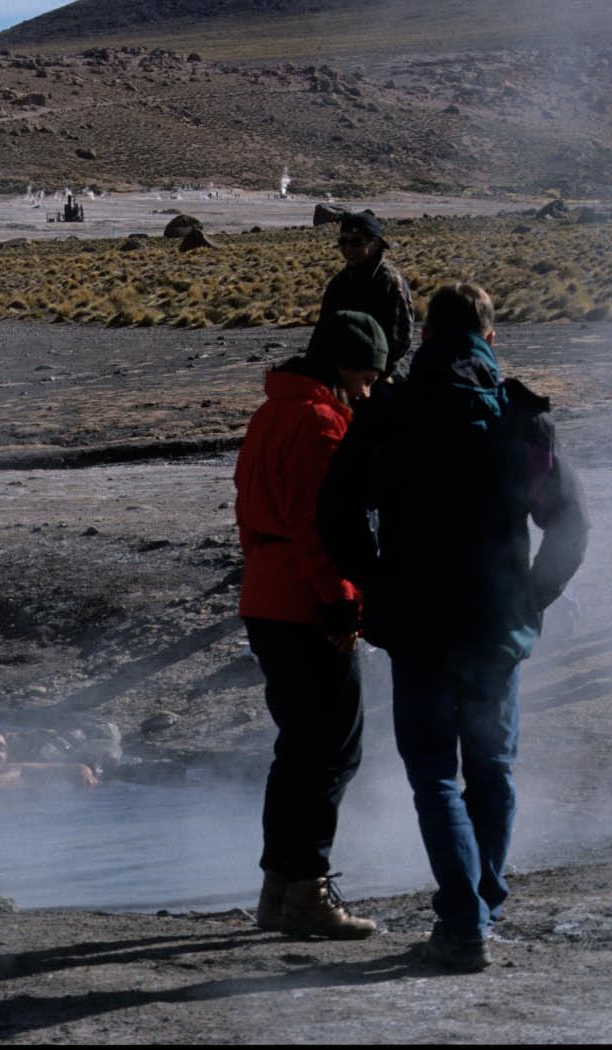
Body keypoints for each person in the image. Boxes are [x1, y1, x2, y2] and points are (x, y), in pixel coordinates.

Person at [319, 282, 588, 971]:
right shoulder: (520, 416)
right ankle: (482, 909)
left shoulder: (392, 412)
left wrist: (374, 580)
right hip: (495, 625)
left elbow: (337, 507)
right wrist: (533, 596)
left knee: (436, 774)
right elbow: (569, 521)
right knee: (491, 771)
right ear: (490, 339)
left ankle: (465, 922)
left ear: (426, 337)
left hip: (417, 626)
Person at [235, 309, 388, 941]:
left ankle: (280, 887)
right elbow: (319, 529)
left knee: (298, 747)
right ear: (346, 365)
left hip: (266, 598)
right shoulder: (320, 423)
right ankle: (307, 890)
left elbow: (255, 508)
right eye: (368, 375)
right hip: (303, 603)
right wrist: (342, 606)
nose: (370, 390)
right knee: (333, 749)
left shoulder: (272, 412)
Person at [318, 210, 415, 382]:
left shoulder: (390, 281)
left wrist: (370, 374)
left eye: (356, 242)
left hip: (382, 374)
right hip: (343, 375)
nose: (347, 249)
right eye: (343, 241)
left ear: (375, 244)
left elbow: (400, 340)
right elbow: (323, 331)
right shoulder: (339, 283)